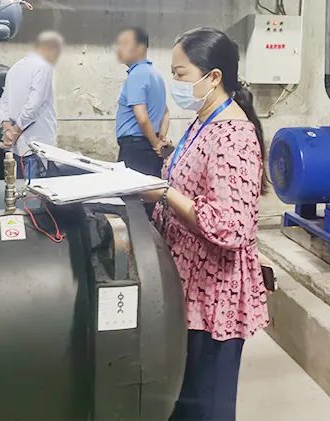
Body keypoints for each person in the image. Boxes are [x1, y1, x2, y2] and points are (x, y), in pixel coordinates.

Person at [143, 27, 269, 421]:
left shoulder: (233, 136)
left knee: (206, 405)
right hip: (189, 286)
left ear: (213, 77)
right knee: (185, 400)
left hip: (214, 295)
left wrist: (164, 193)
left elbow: (232, 227)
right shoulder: (204, 121)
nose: (175, 83)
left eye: (180, 74)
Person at [0, 31, 63, 179]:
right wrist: (15, 131)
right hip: (37, 145)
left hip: (17, 148)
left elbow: (4, 102)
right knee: (37, 189)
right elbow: (34, 104)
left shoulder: (15, 67)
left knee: (19, 187)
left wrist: (7, 130)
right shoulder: (45, 67)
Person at [115, 27, 170, 177]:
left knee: (132, 191)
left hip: (136, 149)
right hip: (150, 148)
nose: (119, 48)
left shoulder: (137, 75)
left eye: (125, 43)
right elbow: (165, 113)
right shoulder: (155, 74)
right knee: (151, 189)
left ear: (140, 47)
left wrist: (156, 144)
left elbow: (142, 118)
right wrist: (161, 139)